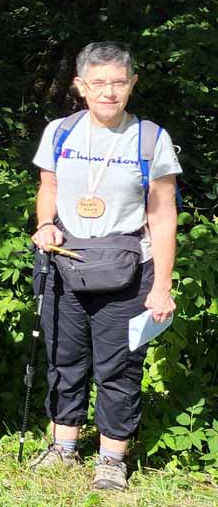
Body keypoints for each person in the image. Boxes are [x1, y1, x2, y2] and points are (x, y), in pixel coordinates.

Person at [28, 42, 180, 491]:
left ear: (132, 84)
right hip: (65, 263)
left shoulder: (150, 138)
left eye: (118, 82)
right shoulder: (60, 132)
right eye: (98, 83)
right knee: (64, 358)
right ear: (80, 85)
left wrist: (162, 285)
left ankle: (111, 459)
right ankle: (64, 446)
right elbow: (49, 188)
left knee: (119, 366)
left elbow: (163, 215)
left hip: (129, 270)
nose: (108, 92)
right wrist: (45, 224)